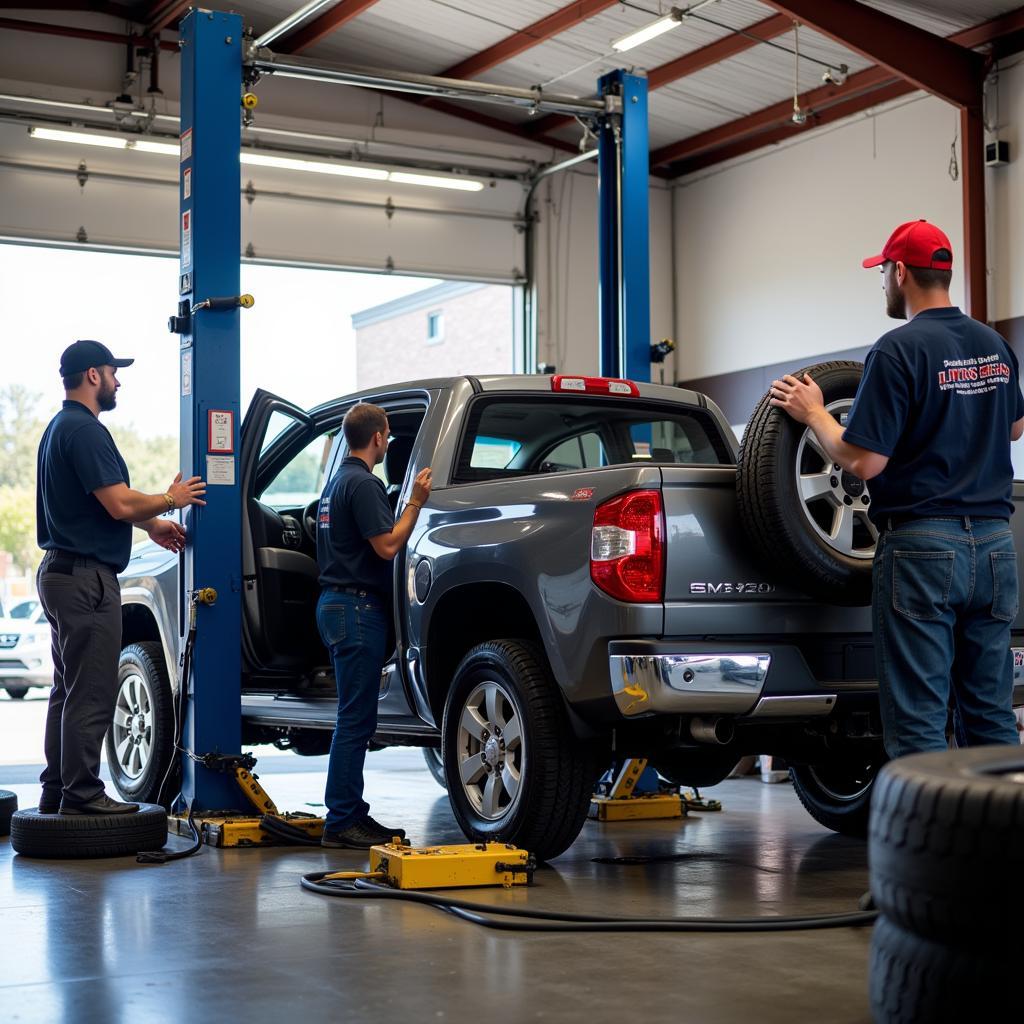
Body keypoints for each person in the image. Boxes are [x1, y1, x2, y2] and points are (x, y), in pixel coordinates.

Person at [770, 220, 1024, 758]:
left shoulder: (897, 350)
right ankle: (1001, 837)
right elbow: (1015, 426)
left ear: (901, 271)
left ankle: (931, 843)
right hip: (998, 547)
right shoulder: (993, 343)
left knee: (919, 725)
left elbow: (862, 461)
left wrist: (815, 413)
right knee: (992, 718)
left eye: (882, 270)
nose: (882, 280)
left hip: (924, 550)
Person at [36, 339, 207, 815]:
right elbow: (119, 501)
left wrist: (151, 524)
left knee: (67, 690)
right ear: (93, 375)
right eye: (113, 372)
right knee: (91, 690)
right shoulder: (86, 431)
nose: (118, 380)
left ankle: (58, 790)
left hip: (59, 573)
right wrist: (171, 499)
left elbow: (97, 503)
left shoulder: (58, 428)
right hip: (86, 579)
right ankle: (84, 796)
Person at [315, 402, 432, 849]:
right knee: (355, 720)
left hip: (336, 606)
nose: (387, 442)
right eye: (387, 436)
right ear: (379, 437)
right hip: (356, 610)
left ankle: (351, 812)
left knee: (354, 717)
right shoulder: (363, 484)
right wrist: (415, 503)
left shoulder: (335, 483)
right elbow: (386, 546)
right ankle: (342, 820)